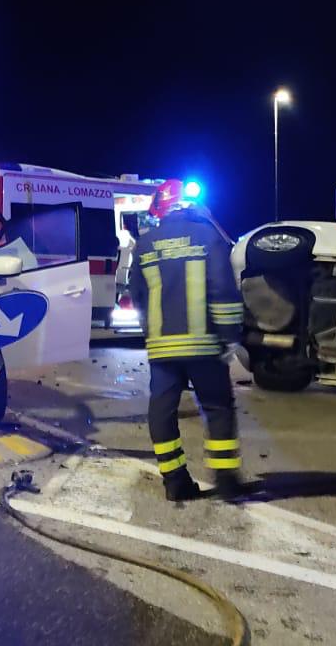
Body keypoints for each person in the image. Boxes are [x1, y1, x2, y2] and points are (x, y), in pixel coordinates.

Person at [129, 180, 250, 502]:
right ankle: (226, 481)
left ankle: (175, 482)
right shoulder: (209, 237)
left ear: (161, 210)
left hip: (162, 348)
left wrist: (151, 333)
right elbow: (223, 291)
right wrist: (231, 337)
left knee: (162, 411)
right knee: (218, 408)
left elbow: (137, 295)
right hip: (203, 346)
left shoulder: (145, 244)